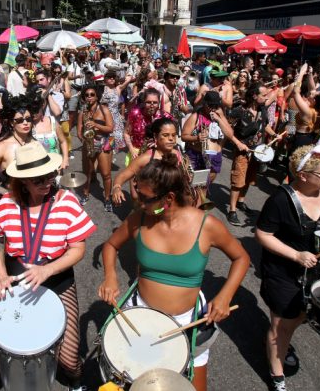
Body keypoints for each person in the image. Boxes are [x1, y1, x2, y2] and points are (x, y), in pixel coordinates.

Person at [99, 152, 251, 391]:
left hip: (188, 323)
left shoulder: (206, 225)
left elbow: (241, 257)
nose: (138, 201)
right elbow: (110, 245)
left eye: (145, 198)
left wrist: (225, 296)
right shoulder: (139, 219)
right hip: (140, 316)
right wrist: (110, 275)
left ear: (168, 198)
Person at [0, 142, 95, 391]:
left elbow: (78, 249)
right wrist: (0, 274)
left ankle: (77, 383)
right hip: (16, 277)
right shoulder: (6, 204)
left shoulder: (67, 202)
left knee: (69, 359)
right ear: (23, 182)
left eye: (50, 175)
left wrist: (48, 270)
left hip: (57, 278)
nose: (47, 182)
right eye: (38, 179)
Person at [256, 143, 320, 391]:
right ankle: (276, 373)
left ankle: (281, 344)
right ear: (303, 175)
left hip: (316, 272)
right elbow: (263, 234)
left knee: (298, 317)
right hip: (283, 272)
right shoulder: (281, 199)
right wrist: (296, 255)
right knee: (280, 325)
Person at [225, 83, 282, 226]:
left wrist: (275, 134)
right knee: (238, 181)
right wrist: (238, 143)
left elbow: (265, 125)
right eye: (263, 95)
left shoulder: (263, 109)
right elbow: (227, 129)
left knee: (249, 179)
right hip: (242, 152)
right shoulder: (239, 111)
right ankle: (232, 210)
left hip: (258, 151)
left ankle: (241, 202)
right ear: (254, 96)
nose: (266, 97)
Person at [114, 117, 192, 206]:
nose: (171, 139)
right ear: (155, 136)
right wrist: (117, 188)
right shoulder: (146, 158)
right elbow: (122, 175)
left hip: (173, 205)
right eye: (165, 135)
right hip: (152, 206)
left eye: (173, 135)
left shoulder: (178, 154)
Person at [0, 94, 39, 197]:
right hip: (12, 203)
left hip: (34, 198)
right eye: (20, 120)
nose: (25, 123)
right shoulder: (3, 146)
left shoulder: (35, 143)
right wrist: (5, 193)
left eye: (28, 119)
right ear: (11, 123)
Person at [181, 91, 233, 203]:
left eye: (216, 106)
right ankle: (190, 210)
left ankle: (199, 210)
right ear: (204, 103)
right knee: (191, 188)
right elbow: (184, 136)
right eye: (210, 105)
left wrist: (219, 119)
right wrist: (197, 138)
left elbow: (230, 135)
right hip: (196, 156)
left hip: (214, 157)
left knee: (204, 186)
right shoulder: (196, 116)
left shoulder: (220, 115)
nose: (213, 108)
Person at [78, 84, 115, 211]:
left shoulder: (104, 109)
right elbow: (79, 131)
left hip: (104, 142)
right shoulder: (83, 112)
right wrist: (85, 138)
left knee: (106, 174)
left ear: (97, 96)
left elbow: (110, 128)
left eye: (92, 95)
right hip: (89, 144)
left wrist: (95, 125)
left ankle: (107, 198)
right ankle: (85, 193)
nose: (89, 97)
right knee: (87, 173)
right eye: (86, 95)